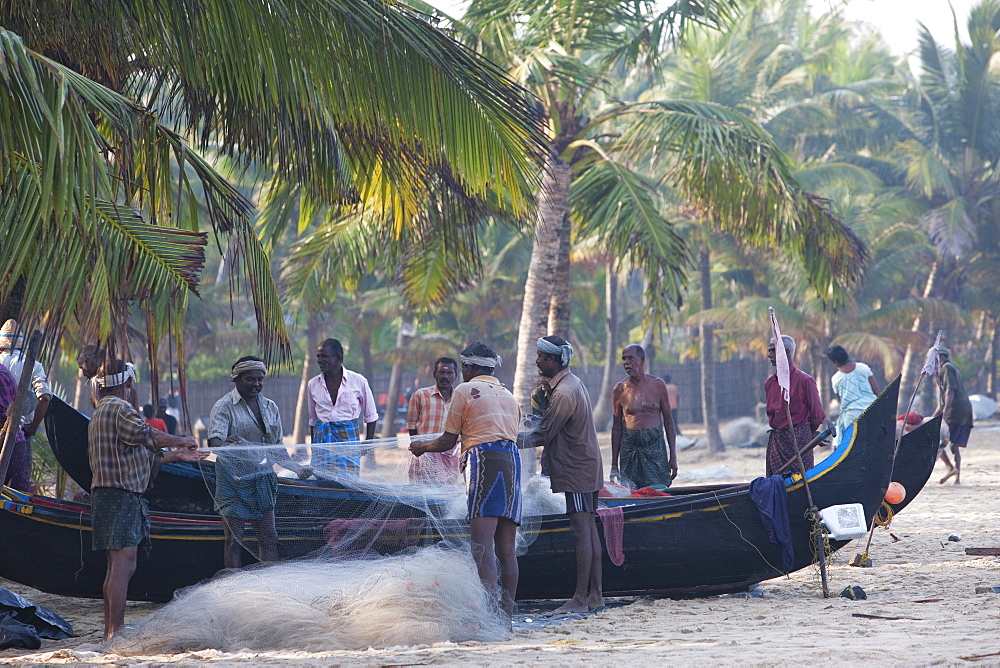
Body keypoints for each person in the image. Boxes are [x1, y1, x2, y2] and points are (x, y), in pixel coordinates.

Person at [87, 359, 208, 640]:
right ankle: (115, 633)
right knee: (123, 565)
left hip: (108, 495)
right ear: (128, 383)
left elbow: (141, 454)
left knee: (115, 566)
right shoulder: (119, 408)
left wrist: (177, 455)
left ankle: (110, 632)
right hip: (121, 496)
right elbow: (147, 435)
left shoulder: (101, 410)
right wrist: (181, 439)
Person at [409, 342, 521, 616]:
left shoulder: (463, 391)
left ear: (468, 367)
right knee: (506, 548)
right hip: (512, 462)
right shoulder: (508, 394)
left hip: (483, 461)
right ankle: (506, 614)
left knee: (481, 546)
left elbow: (448, 442)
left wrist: (422, 447)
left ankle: (490, 612)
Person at [209, 356, 313, 569]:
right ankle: (233, 588)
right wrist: (225, 444)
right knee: (234, 540)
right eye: (250, 379)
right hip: (233, 479)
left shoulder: (270, 407)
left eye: (259, 379)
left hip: (262, 479)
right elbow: (214, 441)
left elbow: (276, 449)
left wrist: (297, 469)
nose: (256, 384)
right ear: (237, 380)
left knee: (268, 537)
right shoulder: (224, 406)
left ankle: (269, 587)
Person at [530, 336, 604, 613]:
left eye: (539, 356)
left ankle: (580, 599)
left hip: (578, 469)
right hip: (584, 465)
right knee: (590, 529)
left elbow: (544, 433)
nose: (536, 361)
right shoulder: (570, 383)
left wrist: (505, 439)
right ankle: (595, 595)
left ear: (551, 360)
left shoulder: (563, 393)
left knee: (581, 530)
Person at [610, 344, 677, 489]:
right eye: (623, 359)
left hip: (655, 448)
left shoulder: (658, 385)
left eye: (630, 358)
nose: (626, 362)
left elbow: (669, 422)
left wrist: (673, 456)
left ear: (642, 360)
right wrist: (614, 465)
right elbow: (616, 428)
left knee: (658, 491)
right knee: (631, 492)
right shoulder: (619, 389)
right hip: (630, 450)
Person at [307, 339, 378, 474]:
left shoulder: (358, 381)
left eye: (324, 356)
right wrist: (314, 446)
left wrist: (368, 443)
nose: (320, 360)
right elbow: (313, 420)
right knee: (323, 481)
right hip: (323, 442)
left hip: (348, 441)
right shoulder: (312, 384)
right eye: (318, 356)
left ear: (338, 357)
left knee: (348, 483)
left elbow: (371, 416)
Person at [0, 320, 52, 491]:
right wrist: (32, 427)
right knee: (19, 490)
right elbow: (44, 398)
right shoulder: (33, 365)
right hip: (20, 436)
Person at [764, 335, 826, 476]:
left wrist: (806, 434)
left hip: (799, 440)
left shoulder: (805, 380)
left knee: (801, 480)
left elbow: (817, 415)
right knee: (776, 483)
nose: (769, 355)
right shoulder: (769, 383)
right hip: (777, 442)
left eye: (773, 351)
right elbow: (772, 415)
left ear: (786, 352)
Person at [406, 357, 460, 484]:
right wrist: (419, 448)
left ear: (455, 375)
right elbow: (411, 425)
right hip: (424, 453)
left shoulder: (460, 399)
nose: (445, 376)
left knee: (446, 493)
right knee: (421, 493)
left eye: (449, 373)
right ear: (434, 374)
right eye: (441, 372)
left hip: (450, 455)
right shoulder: (420, 395)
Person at [932, 346, 973, 485]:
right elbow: (943, 400)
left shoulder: (946, 368)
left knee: (938, 440)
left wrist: (943, 415)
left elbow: (950, 392)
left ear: (941, 357)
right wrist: (934, 416)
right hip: (963, 409)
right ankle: (957, 476)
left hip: (955, 410)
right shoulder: (950, 368)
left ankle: (951, 468)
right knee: (954, 445)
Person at [824, 345, 880, 446]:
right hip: (872, 409)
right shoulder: (863, 367)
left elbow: (841, 401)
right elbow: (876, 389)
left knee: (854, 444)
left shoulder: (836, 378)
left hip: (851, 416)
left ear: (835, 362)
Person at [77, 344, 139, 411]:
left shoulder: (115, 376)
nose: (84, 374)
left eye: (83, 368)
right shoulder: (97, 381)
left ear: (89, 362)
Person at [529, 374, 552, 475]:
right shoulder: (538, 394)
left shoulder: (566, 393)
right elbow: (539, 424)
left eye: (547, 376)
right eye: (540, 375)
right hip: (550, 447)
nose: (542, 379)